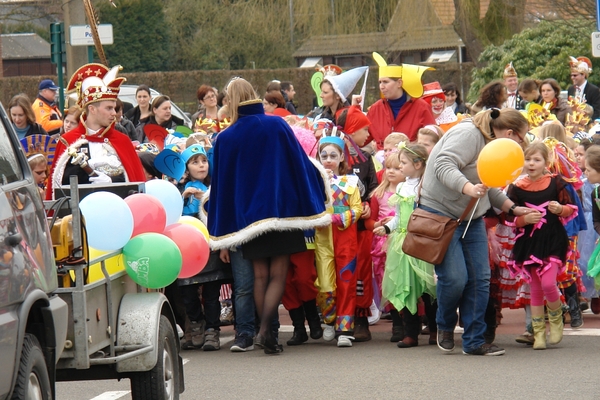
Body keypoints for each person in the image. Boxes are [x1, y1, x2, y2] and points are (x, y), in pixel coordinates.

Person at [207, 77, 330, 354]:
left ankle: (264, 333)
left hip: (249, 218)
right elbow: (299, 162)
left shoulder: (225, 137)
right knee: (279, 274)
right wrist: (318, 188)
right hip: (281, 211)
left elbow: (222, 183)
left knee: (260, 276)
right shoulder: (276, 124)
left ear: (230, 101)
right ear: (253, 95)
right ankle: (267, 332)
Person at [419, 108, 533, 356]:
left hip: (472, 217)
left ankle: (473, 341)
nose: (522, 146)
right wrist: (467, 187)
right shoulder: (469, 133)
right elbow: (443, 164)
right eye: (523, 139)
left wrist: (512, 208)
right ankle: (445, 324)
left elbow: (489, 183)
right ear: (511, 133)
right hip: (441, 214)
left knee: (480, 280)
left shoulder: (493, 144)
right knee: (455, 278)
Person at [506, 142, 575, 350]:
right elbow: (509, 218)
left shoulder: (556, 183)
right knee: (535, 287)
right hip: (529, 241)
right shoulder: (517, 187)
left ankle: (556, 319)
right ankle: (538, 334)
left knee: (547, 283)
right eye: (528, 159)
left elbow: (570, 209)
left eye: (537, 159)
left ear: (547, 162)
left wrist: (558, 208)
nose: (532, 163)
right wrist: (525, 220)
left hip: (553, 238)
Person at [46, 64, 146, 199]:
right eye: (109, 108)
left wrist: (112, 182)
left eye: (114, 109)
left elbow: (135, 185)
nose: (114, 114)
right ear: (92, 109)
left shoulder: (122, 141)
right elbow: (58, 189)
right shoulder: (68, 141)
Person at [375, 143, 437, 348]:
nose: (400, 167)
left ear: (418, 164)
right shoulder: (402, 187)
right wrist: (386, 229)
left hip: (423, 241)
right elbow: (398, 217)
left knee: (428, 289)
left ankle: (435, 329)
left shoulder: (428, 186)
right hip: (403, 243)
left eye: (403, 163)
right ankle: (410, 332)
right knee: (407, 288)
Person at [336, 106, 378, 342]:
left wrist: (370, 203)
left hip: (360, 227)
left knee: (360, 270)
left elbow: (373, 188)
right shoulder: (332, 153)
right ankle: (338, 318)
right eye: (364, 129)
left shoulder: (366, 159)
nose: (367, 135)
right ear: (351, 130)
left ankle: (360, 318)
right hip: (337, 227)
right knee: (340, 272)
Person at [317, 133, 362, 347]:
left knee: (346, 282)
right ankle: (329, 319)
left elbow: (357, 209)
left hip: (346, 238)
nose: (328, 160)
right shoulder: (314, 184)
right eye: (323, 155)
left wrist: (337, 217)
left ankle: (345, 328)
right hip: (322, 239)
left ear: (342, 157)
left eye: (333, 155)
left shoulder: (350, 183)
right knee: (325, 284)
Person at [365, 153, 402, 326]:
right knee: (385, 280)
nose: (391, 172)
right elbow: (369, 221)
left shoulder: (408, 193)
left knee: (402, 279)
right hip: (382, 244)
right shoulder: (378, 194)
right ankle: (396, 322)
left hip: (402, 242)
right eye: (388, 167)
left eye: (396, 168)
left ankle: (410, 320)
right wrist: (377, 223)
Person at [367, 52, 435, 146]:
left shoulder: (421, 107)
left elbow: (432, 140)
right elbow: (360, 139)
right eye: (380, 82)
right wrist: (354, 111)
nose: (381, 86)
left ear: (399, 83)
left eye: (386, 82)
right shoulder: (375, 109)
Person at [567, 56, 600, 120]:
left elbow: (597, 111)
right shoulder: (570, 89)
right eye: (571, 75)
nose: (572, 78)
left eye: (575, 75)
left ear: (583, 75)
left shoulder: (594, 90)